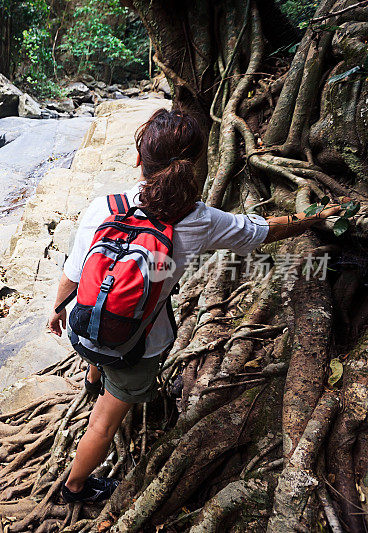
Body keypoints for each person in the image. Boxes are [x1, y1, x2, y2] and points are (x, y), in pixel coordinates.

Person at [47, 108, 343, 503]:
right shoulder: (201, 221)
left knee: (104, 312)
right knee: (102, 426)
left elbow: (74, 272)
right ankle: (75, 487)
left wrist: (56, 310)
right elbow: (265, 230)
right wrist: (313, 217)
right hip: (137, 348)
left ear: (139, 159)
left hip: (82, 332)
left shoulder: (104, 207)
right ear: (194, 165)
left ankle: (92, 377)